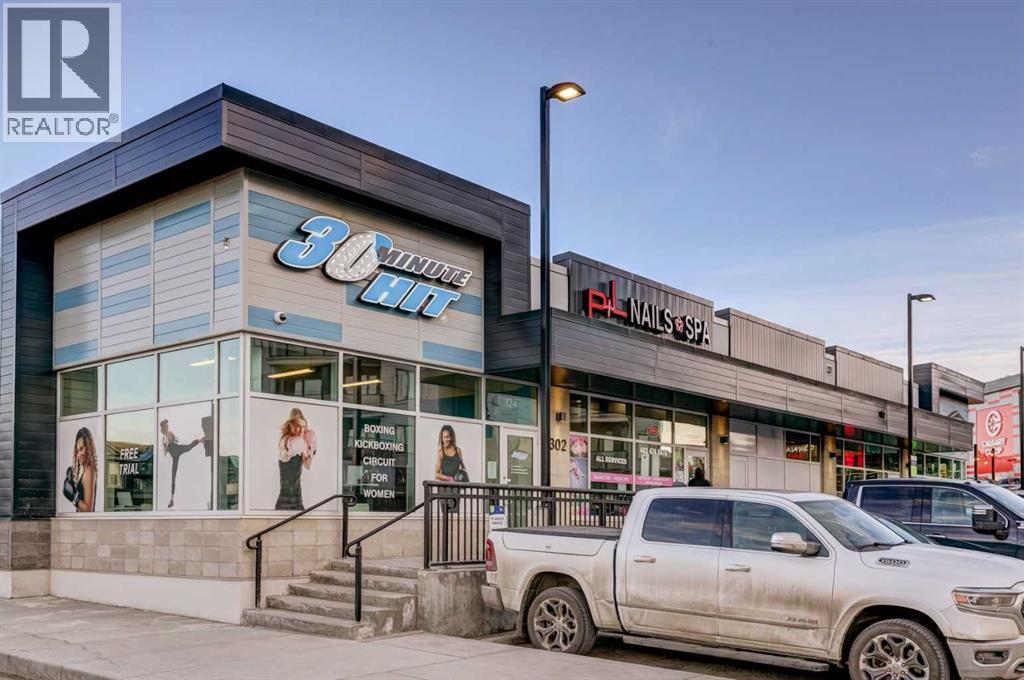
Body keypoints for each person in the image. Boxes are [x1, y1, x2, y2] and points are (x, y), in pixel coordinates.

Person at [276, 408, 317, 510]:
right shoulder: (285, 440)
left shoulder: (301, 444)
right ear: (290, 425)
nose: (301, 430)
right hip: (285, 501)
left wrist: (311, 450)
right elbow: (284, 456)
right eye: (297, 426)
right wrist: (291, 450)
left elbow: (307, 466)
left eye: (303, 427)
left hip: (298, 500)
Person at [160, 419, 202, 509]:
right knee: (173, 476)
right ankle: (171, 499)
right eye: (166, 426)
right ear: (163, 427)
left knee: (189, 447)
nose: (167, 427)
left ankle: (201, 440)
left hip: (178, 449)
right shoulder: (163, 439)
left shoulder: (170, 433)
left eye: (167, 425)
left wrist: (172, 440)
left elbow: (177, 440)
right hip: (174, 456)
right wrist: (165, 447)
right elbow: (164, 453)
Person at [65, 428, 97, 512]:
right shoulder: (86, 470)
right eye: (77, 451)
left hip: (86, 520)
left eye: (81, 449)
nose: (79, 454)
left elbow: (88, 509)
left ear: (89, 448)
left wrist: (73, 496)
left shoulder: (88, 472)